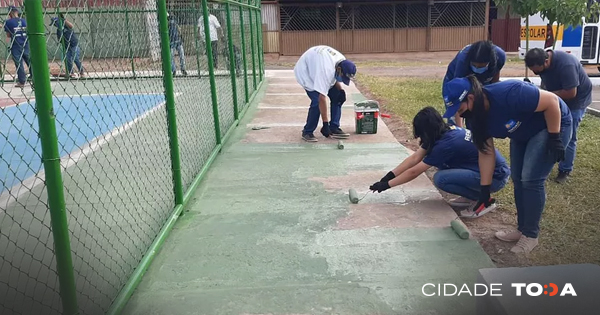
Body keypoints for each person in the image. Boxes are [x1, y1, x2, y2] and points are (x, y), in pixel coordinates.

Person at [442, 75, 572, 254]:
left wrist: (555, 137)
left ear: (470, 98)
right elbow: (486, 153)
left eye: (460, 108)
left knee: (531, 179)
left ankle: (531, 235)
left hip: (550, 125)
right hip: (521, 132)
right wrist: (484, 189)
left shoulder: (510, 93)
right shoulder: (475, 119)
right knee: (518, 179)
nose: (460, 114)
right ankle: (521, 229)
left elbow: (551, 101)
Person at [369, 106, 510, 218]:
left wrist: (386, 185)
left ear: (426, 130)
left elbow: (415, 171)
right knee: (443, 171)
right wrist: (389, 176)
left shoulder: (445, 145)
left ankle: (482, 200)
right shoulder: (442, 131)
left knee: (441, 178)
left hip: (496, 177)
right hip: (486, 171)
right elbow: (414, 158)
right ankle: (471, 197)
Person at [525, 48, 592, 184]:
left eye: (538, 70)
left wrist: (547, 96)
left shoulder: (566, 64)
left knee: (569, 135)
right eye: (534, 71)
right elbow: (545, 81)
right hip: (556, 96)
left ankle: (565, 170)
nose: (536, 73)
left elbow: (570, 92)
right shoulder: (540, 62)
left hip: (576, 101)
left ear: (546, 61)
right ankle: (546, 161)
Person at [293, 45, 356, 142]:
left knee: (337, 96)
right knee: (316, 102)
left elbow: (335, 76)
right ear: (339, 69)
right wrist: (325, 124)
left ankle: (334, 127)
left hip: (317, 64)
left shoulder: (341, 61)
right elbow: (321, 98)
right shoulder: (325, 71)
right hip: (305, 72)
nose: (342, 79)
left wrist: (341, 90)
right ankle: (307, 131)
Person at [443, 40, 506, 127]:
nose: (477, 68)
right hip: (459, 83)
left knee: (477, 117)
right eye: (474, 65)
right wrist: (459, 132)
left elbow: (494, 82)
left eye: (481, 66)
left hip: (483, 82)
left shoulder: (500, 56)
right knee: (455, 122)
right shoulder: (463, 61)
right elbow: (458, 101)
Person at [4, 6, 31, 88]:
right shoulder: (24, 21)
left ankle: (22, 81)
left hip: (16, 44)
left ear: (10, 13)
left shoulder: (9, 22)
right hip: (25, 43)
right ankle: (34, 78)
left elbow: (8, 35)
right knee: (29, 61)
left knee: (19, 63)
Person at [50, 14, 84, 78]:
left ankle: (81, 71)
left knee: (75, 58)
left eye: (55, 23)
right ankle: (71, 72)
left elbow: (71, 26)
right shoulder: (58, 30)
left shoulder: (66, 25)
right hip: (66, 47)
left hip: (73, 45)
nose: (54, 25)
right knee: (68, 59)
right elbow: (59, 39)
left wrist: (64, 20)